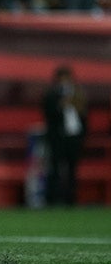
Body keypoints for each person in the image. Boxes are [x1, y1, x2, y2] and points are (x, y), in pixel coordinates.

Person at [42, 65, 87, 206]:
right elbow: (48, 114)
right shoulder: (51, 94)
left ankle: (71, 200)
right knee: (55, 168)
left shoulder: (78, 94)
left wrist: (82, 135)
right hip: (57, 137)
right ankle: (52, 200)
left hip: (74, 137)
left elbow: (84, 117)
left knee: (72, 169)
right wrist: (61, 105)